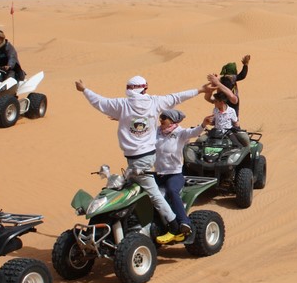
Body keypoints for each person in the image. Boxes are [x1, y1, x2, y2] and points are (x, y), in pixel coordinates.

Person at [75, 75, 211, 237]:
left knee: (155, 194)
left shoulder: (122, 105)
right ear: (144, 89)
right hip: (141, 161)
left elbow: (99, 102)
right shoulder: (153, 105)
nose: (161, 120)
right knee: (126, 188)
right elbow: (176, 97)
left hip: (146, 163)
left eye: (165, 118)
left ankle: (176, 225)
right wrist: (200, 90)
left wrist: (84, 90)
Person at [153, 108, 208, 244]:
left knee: (172, 191)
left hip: (174, 174)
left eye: (164, 118)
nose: (161, 120)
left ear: (172, 120)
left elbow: (194, 132)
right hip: (158, 173)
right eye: (160, 118)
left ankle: (184, 222)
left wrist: (203, 124)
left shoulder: (180, 133)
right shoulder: (156, 132)